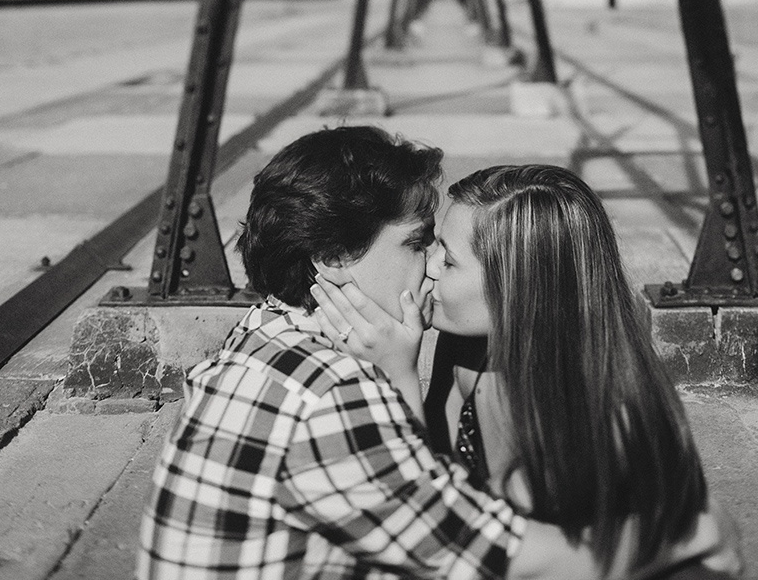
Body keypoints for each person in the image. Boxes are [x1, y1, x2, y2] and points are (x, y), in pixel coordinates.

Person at [137, 127, 695, 580]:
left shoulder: (265, 331)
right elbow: (475, 553)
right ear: (333, 256)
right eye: (417, 242)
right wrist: (695, 536)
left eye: (443, 255)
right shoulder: (335, 392)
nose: (429, 265)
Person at [313, 163, 739, 578]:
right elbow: (431, 495)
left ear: (518, 286)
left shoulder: (595, 413)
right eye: (433, 243)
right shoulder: (465, 348)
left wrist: (397, 376)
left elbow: (510, 560)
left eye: (451, 261)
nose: (428, 266)